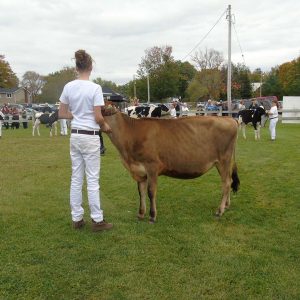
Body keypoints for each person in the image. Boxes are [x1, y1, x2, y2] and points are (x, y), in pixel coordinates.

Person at [58, 49, 113, 232]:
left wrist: (78, 115)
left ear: (77, 67)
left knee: (76, 178)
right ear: (90, 67)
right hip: (90, 137)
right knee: (92, 179)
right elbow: (98, 117)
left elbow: (62, 114)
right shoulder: (95, 88)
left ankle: (77, 218)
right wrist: (105, 127)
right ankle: (97, 220)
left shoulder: (68, 87)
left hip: (75, 135)